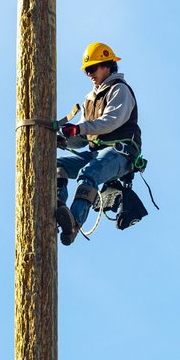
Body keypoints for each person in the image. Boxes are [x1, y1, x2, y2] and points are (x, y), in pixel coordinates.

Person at [54, 42, 141, 246]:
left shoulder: (119, 89)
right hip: (97, 153)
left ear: (107, 65)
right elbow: (84, 138)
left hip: (120, 154)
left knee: (89, 172)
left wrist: (80, 128)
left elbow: (111, 121)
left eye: (93, 68)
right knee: (57, 166)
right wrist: (66, 139)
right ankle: (57, 205)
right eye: (87, 71)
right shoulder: (89, 100)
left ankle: (74, 223)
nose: (89, 74)